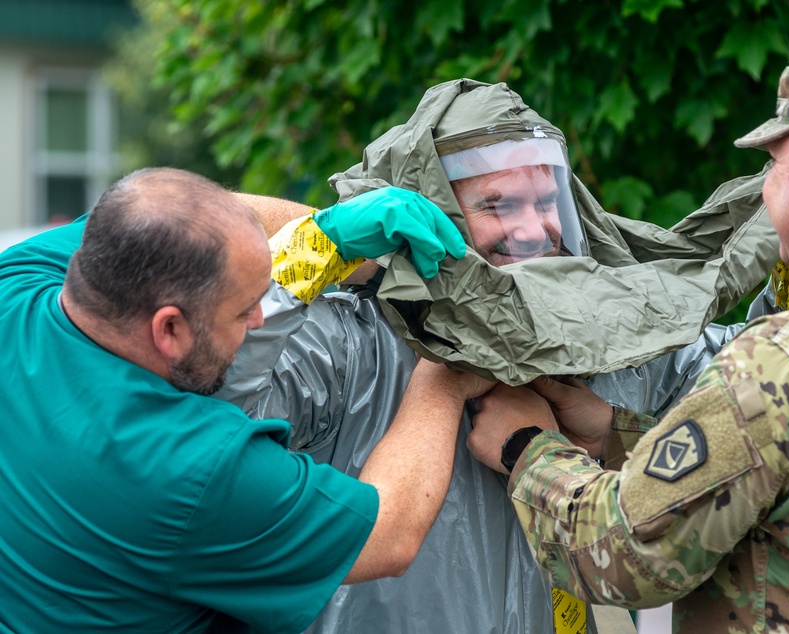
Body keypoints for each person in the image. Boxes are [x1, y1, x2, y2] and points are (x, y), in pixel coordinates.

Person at [215, 79, 780, 633]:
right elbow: (211, 412)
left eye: (546, 200)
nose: (535, 230)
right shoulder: (349, 339)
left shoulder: (609, 339)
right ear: (434, 210)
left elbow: (771, 380)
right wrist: (317, 245)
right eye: (499, 205)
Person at [465, 48, 789, 632]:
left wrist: (527, 446)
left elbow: (624, 555)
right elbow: (787, 475)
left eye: (774, 166)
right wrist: (612, 432)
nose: (766, 190)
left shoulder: (788, 363)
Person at [0, 167, 495, 632]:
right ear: (170, 328)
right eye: (243, 312)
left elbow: (188, 212)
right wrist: (445, 374)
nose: (261, 319)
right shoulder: (190, 469)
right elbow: (389, 532)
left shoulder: (16, 285)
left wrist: (326, 235)